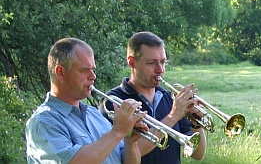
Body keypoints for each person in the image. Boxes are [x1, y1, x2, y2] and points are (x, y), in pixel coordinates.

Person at [26, 38, 146, 163]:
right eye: (84, 70)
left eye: (93, 70)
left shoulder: (93, 114)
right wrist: (118, 131)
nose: (93, 77)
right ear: (60, 72)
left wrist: (130, 141)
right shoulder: (43, 121)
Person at [104, 32, 207, 163]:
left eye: (163, 62)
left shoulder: (169, 98)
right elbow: (123, 156)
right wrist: (173, 116)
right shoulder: (114, 101)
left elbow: (198, 154)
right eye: (151, 63)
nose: (160, 70)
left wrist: (196, 123)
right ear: (132, 62)